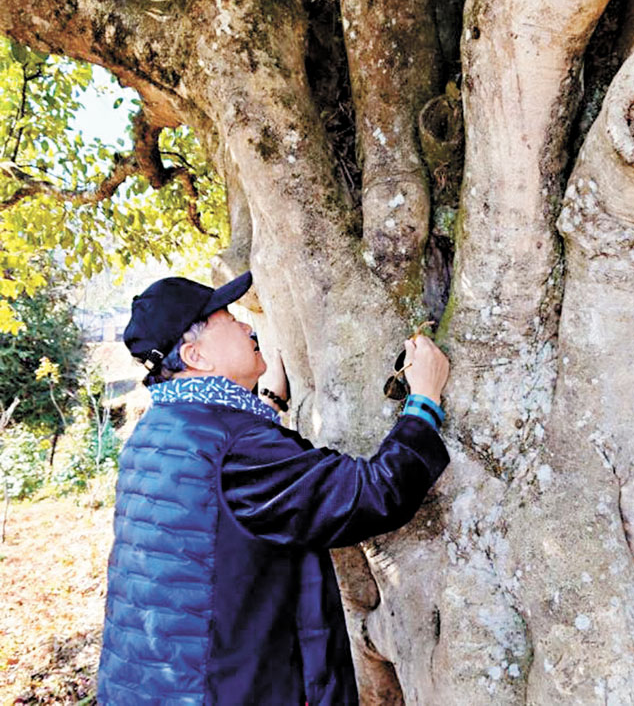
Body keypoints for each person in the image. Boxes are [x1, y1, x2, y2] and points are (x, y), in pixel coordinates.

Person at [96, 271, 450, 705]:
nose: (248, 327)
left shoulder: (157, 430)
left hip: (153, 684)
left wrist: (269, 406)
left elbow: (224, 499)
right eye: (228, 320)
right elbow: (373, 494)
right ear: (196, 355)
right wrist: (424, 401)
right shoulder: (238, 450)